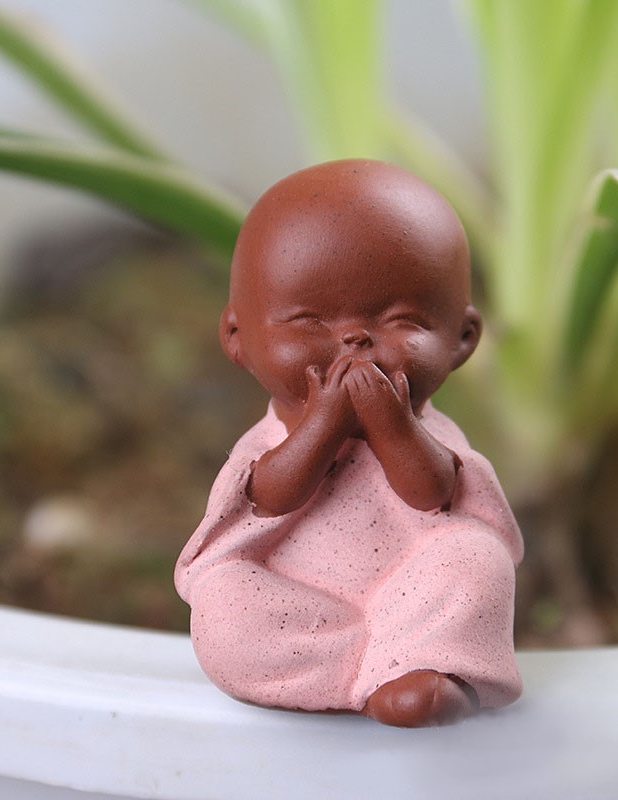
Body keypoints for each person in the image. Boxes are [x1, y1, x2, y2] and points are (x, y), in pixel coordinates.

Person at [175, 159, 523, 726]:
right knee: (225, 603)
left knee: (474, 557)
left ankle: (423, 665)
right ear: (237, 337)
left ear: (463, 339)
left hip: (413, 595)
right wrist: (323, 426)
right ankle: (371, 669)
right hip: (296, 603)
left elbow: (434, 493)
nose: (354, 340)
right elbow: (270, 496)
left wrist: (393, 427)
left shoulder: (436, 436)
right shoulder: (264, 443)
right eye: (308, 321)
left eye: (401, 320)